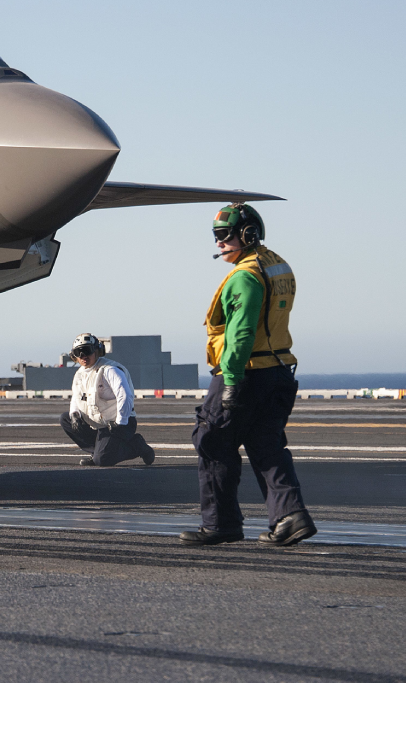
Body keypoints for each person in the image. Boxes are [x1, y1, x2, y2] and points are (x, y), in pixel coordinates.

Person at [181, 204, 317, 547]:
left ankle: (220, 524)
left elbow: (240, 334)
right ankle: (290, 517)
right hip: (279, 371)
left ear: (248, 234)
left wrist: (231, 379)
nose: (219, 244)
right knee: (266, 444)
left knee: (212, 441)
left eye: (225, 236)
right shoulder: (277, 266)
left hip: (247, 371)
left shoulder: (245, 276)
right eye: (216, 237)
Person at [59, 334, 155, 466]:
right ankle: (97, 451)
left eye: (87, 350)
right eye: (78, 352)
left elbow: (125, 395)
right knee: (66, 419)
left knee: (102, 460)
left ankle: (137, 446)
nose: (83, 355)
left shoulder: (110, 370)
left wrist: (120, 422)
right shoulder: (80, 374)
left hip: (118, 424)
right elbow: (77, 397)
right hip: (97, 424)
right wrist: (74, 414)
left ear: (96, 351)